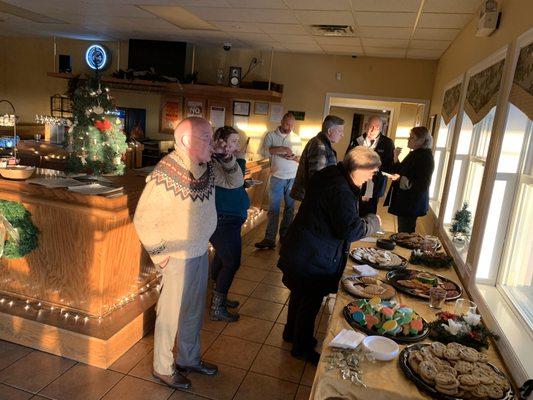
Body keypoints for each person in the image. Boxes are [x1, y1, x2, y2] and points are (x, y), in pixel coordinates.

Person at [133, 117, 218, 390]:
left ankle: (188, 359)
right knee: (169, 317)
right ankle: (162, 367)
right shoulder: (166, 172)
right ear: (185, 141)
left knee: (193, 311)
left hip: (199, 251)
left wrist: (228, 157)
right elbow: (143, 219)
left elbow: (235, 180)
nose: (212, 142)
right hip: (176, 257)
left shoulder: (206, 167)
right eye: (206, 137)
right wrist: (160, 255)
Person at [278, 147, 382, 364]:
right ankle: (301, 347)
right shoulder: (340, 189)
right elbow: (350, 230)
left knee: (299, 293)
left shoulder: (330, 174)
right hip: (313, 252)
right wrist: (373, 222)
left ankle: (291, 333)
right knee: (310, 300)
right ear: (358, 167)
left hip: (302, 245)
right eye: (371, 172)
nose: (372, 176)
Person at [209, 126, 250, 322]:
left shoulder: (223, 160)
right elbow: (233, 182)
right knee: (232, 262)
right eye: (232, 142)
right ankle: (217, 307)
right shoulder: (211, 161)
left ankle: (218, 297)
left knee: (222, 259)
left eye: (236, 141)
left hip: (231, 218)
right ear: (219, 141)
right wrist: (235, 158)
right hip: (222, 219)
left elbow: (237, 181)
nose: (235, 145)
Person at [255, 113, 302, 249]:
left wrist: (292, 157)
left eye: (291, 125)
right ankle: (269, 239)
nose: (289, 127)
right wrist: (282, 149)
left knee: (289, 209)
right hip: (276, 177)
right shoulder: (270, 135)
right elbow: (264, 152)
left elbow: (300, 159)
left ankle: (285, 236)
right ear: (281, 121)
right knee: (273, 210)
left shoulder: (296, 138)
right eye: (286, 124)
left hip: (292, 177)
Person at [385, 126, 435, 233]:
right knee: (402, 230)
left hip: (411, 203)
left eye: (412, 137)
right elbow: (400, 170)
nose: (408, 139)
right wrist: (395, 157)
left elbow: (422, 184)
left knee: (406, 232)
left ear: (421, 140)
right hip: (406, 202)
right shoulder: (415, 153)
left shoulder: (426, 157)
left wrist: (400, 179)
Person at [290, 115, 344, 201]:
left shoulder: (323, 144)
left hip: (315, 195)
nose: (342, 135)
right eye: (340, 131)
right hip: (315, 196)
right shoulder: (319, 145)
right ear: (330, 131)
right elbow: (317, 177)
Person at [355, 116, 395, 216]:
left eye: (377, 127)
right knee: (354, 211)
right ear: (366, 126)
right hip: (357, 184)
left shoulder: (387, 143)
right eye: (371, 126)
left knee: (369, 214)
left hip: (375, 185)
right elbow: (349, 160)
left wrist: (374, 168)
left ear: (381, 129)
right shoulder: (357, 141)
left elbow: (389, 167)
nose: (373, 130)